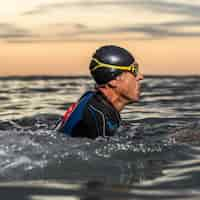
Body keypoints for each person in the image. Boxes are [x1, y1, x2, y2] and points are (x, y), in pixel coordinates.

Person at [55, 45, 144, 139]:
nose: (140, 76)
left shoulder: (93, 102)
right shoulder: (97, 113)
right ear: (114, 80)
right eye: (134, 70)